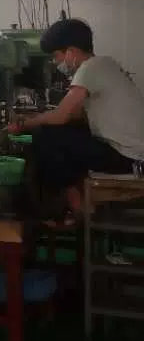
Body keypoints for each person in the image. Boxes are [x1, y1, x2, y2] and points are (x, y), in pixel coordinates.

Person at [10, 18, 144, 213]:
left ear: (71, 52)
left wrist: (26, 124)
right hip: (132, 156)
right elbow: (76, 115)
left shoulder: (90, 67)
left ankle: (76, 206)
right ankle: (77, 201)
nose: (55, 62)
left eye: (56, 56)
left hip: (128, 159)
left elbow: (62, 115)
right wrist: (37, 117)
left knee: (45, 136)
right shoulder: (105, 64)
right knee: (61, 133)